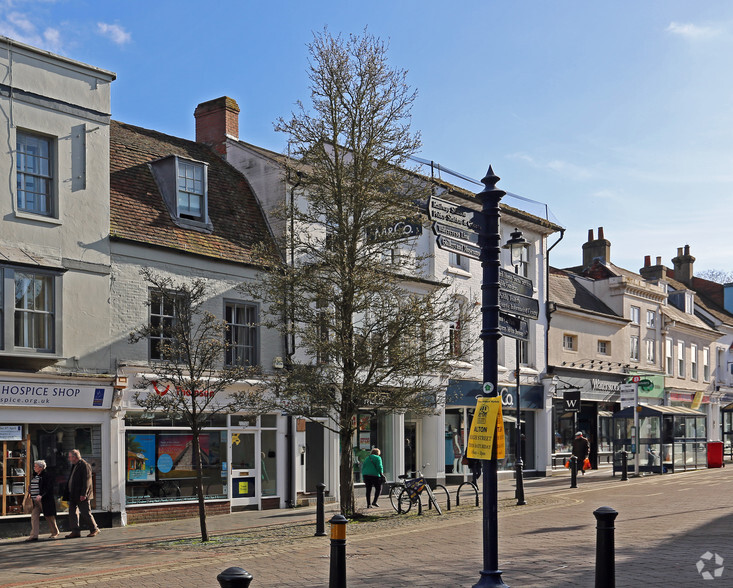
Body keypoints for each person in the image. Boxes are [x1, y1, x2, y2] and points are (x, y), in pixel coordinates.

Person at [63, 449, 100, 538]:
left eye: (69, 457)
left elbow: (87, 481)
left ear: (74, 457)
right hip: (73, 494)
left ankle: (94, 529)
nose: (69, 458)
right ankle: (75, 531)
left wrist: (84, 494)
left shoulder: (84, 465)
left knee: (85, 512)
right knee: (72, 513)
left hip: (81, 494)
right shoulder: (75, 465)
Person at [25, 460, 59, 541]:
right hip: (35, 500)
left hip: (44, 500)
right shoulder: (35, 475)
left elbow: (48, 487)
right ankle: (34, 535)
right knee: (34, 517)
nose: (34, 468)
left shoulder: (46, 475)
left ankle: (55, 532)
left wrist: (41, 495)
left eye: (36, 466)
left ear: (41, 467)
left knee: (49, 516)